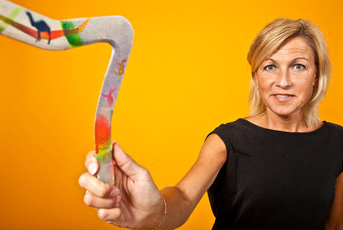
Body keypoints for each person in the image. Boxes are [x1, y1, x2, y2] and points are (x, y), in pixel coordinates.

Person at [78, 18, 343, 230]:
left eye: (298, 66)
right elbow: (182, 197)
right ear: (256, 76)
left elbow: (335, 224)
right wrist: (154, 210)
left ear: (316, 76)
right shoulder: (228, 140)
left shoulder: (338, 142)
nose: (282, 81)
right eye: (270, 67)